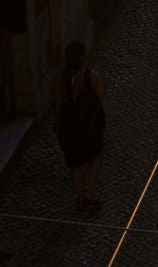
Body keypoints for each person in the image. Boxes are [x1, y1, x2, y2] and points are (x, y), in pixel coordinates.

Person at [56, 41, 106, 211]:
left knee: (75, 164)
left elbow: (58, 103)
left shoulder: (62, 78)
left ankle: (80, 199)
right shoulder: (92, 77)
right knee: (97, 155)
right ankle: (89, 194)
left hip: (68, 128)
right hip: (86, 127)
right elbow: (98, 100)